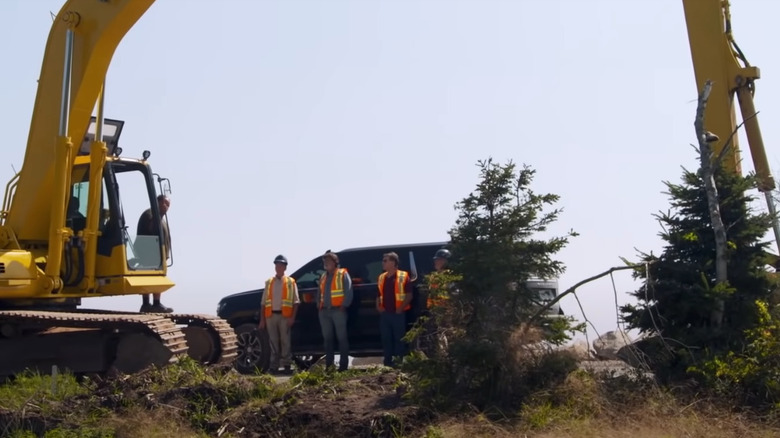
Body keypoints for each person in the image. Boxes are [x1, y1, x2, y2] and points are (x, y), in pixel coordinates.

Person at [259, 254, 300, 375]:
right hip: (271, 316)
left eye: (281, 265)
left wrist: (292, 317)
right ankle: (274, 365)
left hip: (285, 316)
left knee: (285, 341)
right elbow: (263, 303)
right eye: (277, 265)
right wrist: (262, 320)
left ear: (285, 267)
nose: (278, 267)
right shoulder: (269, 282)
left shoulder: (290, 282)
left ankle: (287, 364)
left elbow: (296, 302)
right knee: (273, 341)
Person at [316, 250, 352, 371]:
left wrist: (344, 305)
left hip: (338, 311)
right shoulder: (323, 276)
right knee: (328, 340)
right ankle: (329, 367)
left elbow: (349, 291)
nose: (326, 263)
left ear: (335, 262)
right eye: (324, 261)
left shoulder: (342, 274)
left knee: (342, 339)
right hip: (324, 312)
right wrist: (318, 305)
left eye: (328, 260)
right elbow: (319, 293)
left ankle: (343, 366)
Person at [137, 194, 173, 313]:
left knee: (156, 277)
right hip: (149, 251)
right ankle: (148, 304)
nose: (166, 206)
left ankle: (153, 303)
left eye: (168, 205)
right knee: (150, 277)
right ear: (156, 202)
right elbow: (151, 229)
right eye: (164, 203)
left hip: (158, 254)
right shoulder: (150, 214)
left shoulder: (161, 218)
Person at [377, 251, 413, 367]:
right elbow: (378, 294)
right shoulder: (382, 277)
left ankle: (398, 363)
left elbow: (409, 295)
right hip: (385, 313)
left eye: (385, 261)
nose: (383, 263)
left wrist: (401, 308)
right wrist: (378, 306)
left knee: (399, 339)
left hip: (398, 313)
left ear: (393, 262)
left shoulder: (403, 276)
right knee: (386, 339)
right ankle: (387, 363)